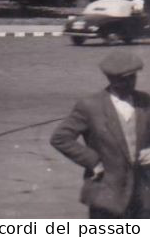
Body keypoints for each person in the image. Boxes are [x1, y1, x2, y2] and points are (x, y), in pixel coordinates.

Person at [51, 49, 150, 218]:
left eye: (132, 78)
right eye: (123, 80)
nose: (129, 83)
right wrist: (93, 161)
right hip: (106, 193)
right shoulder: (90, 106)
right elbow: (60, 138)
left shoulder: (145, 101)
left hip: (142, 193)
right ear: (111, 79)